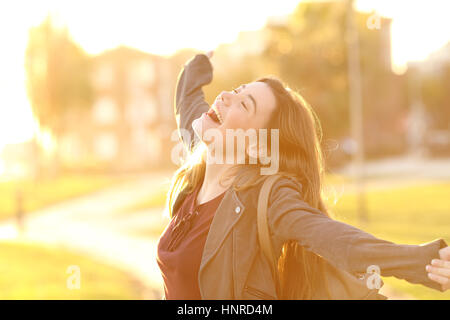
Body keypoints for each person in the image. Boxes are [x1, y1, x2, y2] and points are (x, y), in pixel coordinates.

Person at [156, 51, 450, 300]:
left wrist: (424, 261)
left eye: (244, 103)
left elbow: (336, 239)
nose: (225, 96)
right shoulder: (201, 160)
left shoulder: (267, 197)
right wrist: (199, 65)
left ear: (258, 146)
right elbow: (188, 103)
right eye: (237, 89)